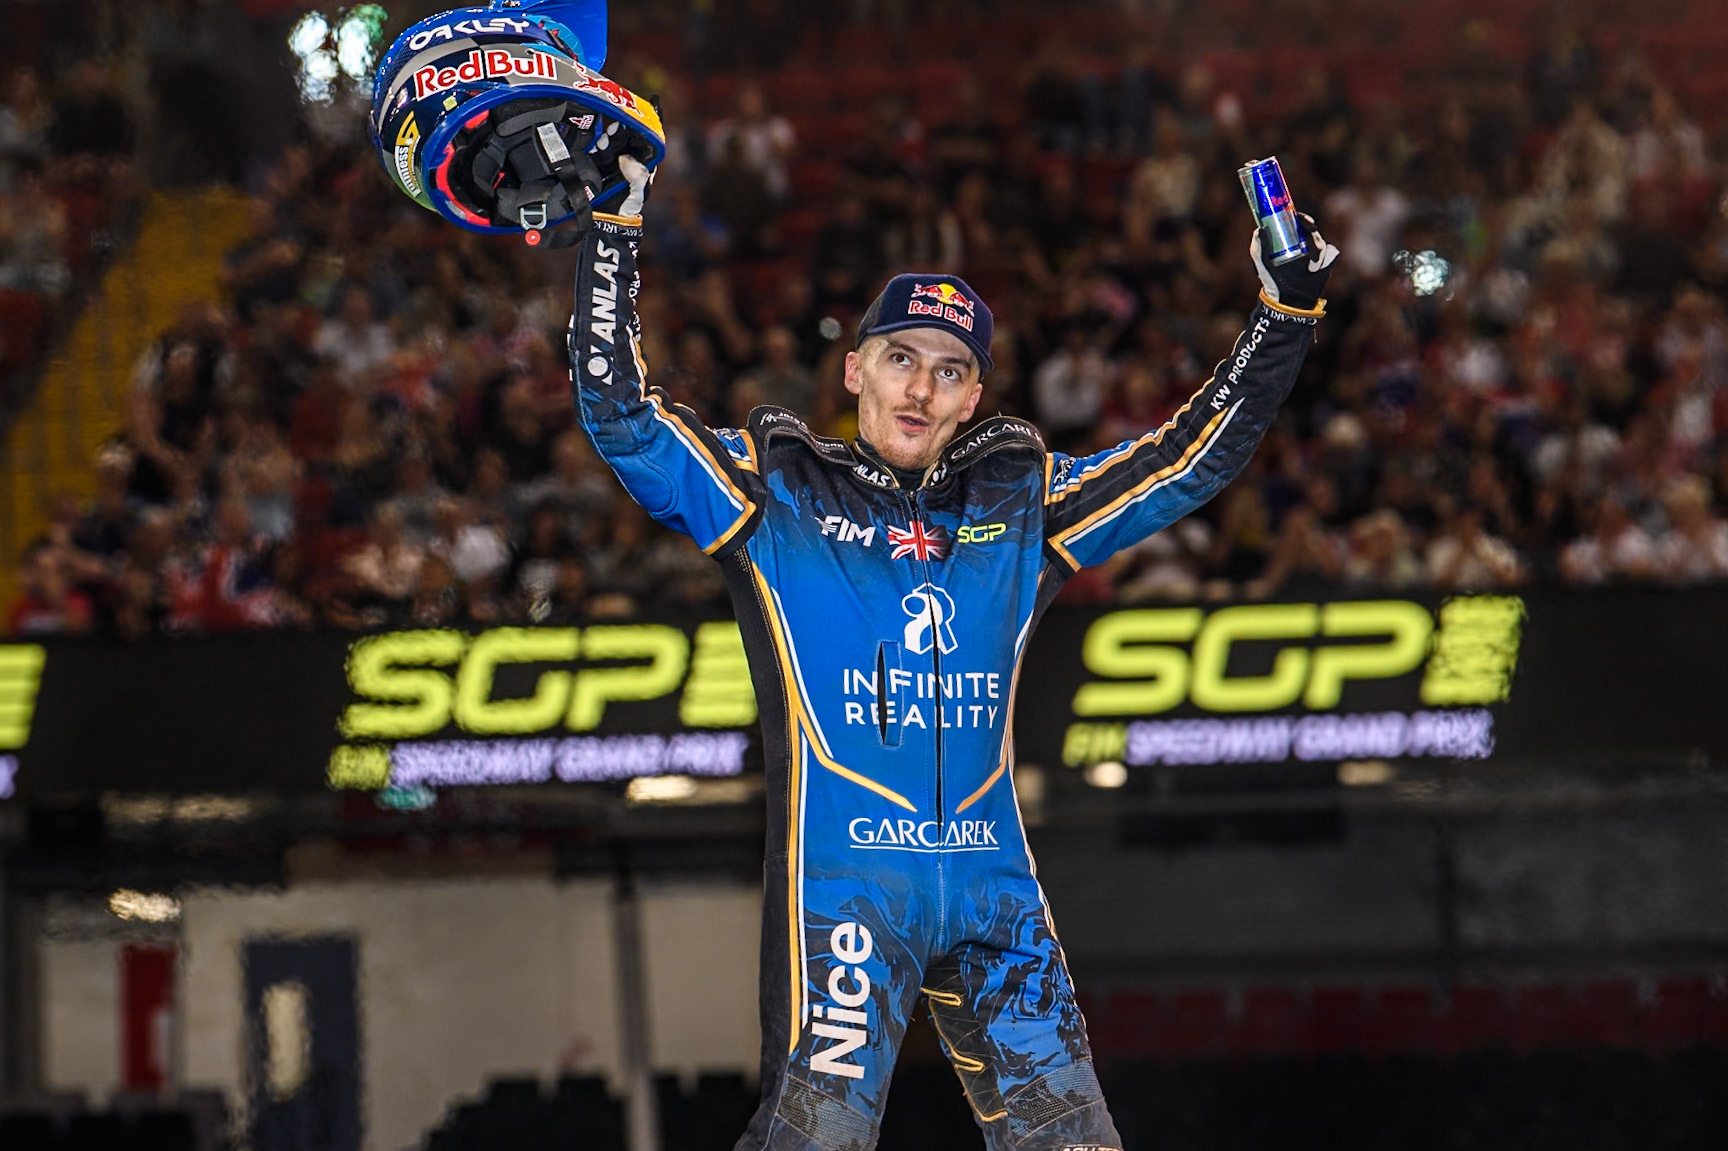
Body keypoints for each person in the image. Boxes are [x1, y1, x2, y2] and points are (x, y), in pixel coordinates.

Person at [570, 156, 1336, 1150]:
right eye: (900, 359)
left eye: (949, 369)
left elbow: (1190, 460)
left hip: (996, 894)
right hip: (848, 895)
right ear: (855, 370)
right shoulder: (775, 493)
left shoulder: (1020, 505)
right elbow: (622, 417)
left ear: (975, 394)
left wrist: (1286, 316)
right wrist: (612, 229)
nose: (920, 389)